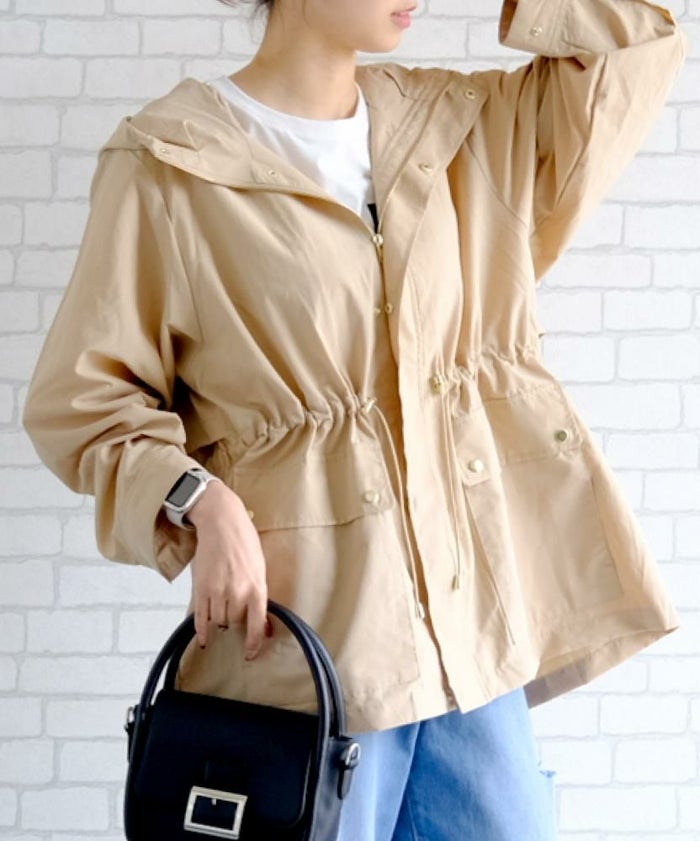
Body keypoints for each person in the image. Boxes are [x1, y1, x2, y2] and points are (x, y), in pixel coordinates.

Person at [22, 0, 686, 838]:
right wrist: (198, 499)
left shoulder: (461, 126)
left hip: (469, 645)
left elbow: (631, 46)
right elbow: (84, 401)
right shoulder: (170, 165)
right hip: (314, 660)